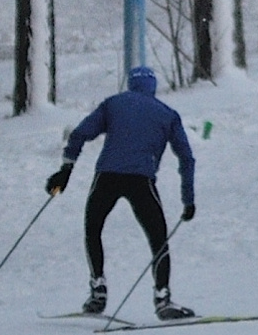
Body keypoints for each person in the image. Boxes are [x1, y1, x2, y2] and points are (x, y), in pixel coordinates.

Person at [46, 65, 198, 321]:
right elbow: (186, 158)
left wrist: (66, 170)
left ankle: (98, 290)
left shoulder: (113, 104)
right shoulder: (167, 114)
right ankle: (163, 298)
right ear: (153, 86)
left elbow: (80, 133)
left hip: (107, 177)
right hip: (142, 180)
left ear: (130, 84)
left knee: (93, 229)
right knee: (158, 238)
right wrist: (188, 199)